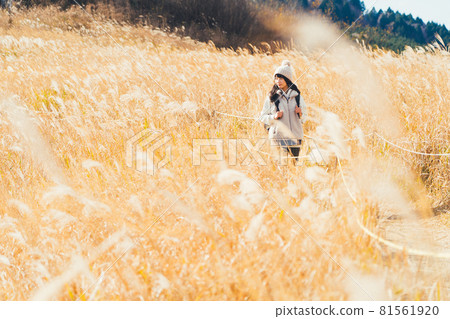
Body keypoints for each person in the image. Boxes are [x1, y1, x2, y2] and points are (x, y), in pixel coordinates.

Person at [259, 60, 307, 161]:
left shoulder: (297, 97)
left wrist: (300, 113)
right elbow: (262, 117)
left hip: (295, 138)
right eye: (276, 78)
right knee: (282, 168)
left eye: (281, 78)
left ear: (287, 79)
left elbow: (304, 118)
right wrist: (274, 117)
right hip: (278, 138)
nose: (278, 81)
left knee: (294, 166)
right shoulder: (271, 97)